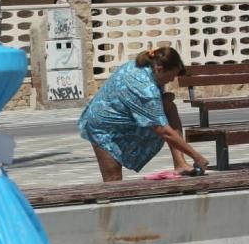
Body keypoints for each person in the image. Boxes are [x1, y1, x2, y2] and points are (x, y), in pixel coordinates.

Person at [78, 47, 210, 182]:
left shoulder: (144, 65)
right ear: (160, 68)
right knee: (113, 181)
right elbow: (164, 131)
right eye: (172, 75)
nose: (172, 80)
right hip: (102, 127)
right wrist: (197, 157)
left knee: (169, 107)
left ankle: (180, 163)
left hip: (124, 119)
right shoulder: (145, 89)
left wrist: (167, 98)